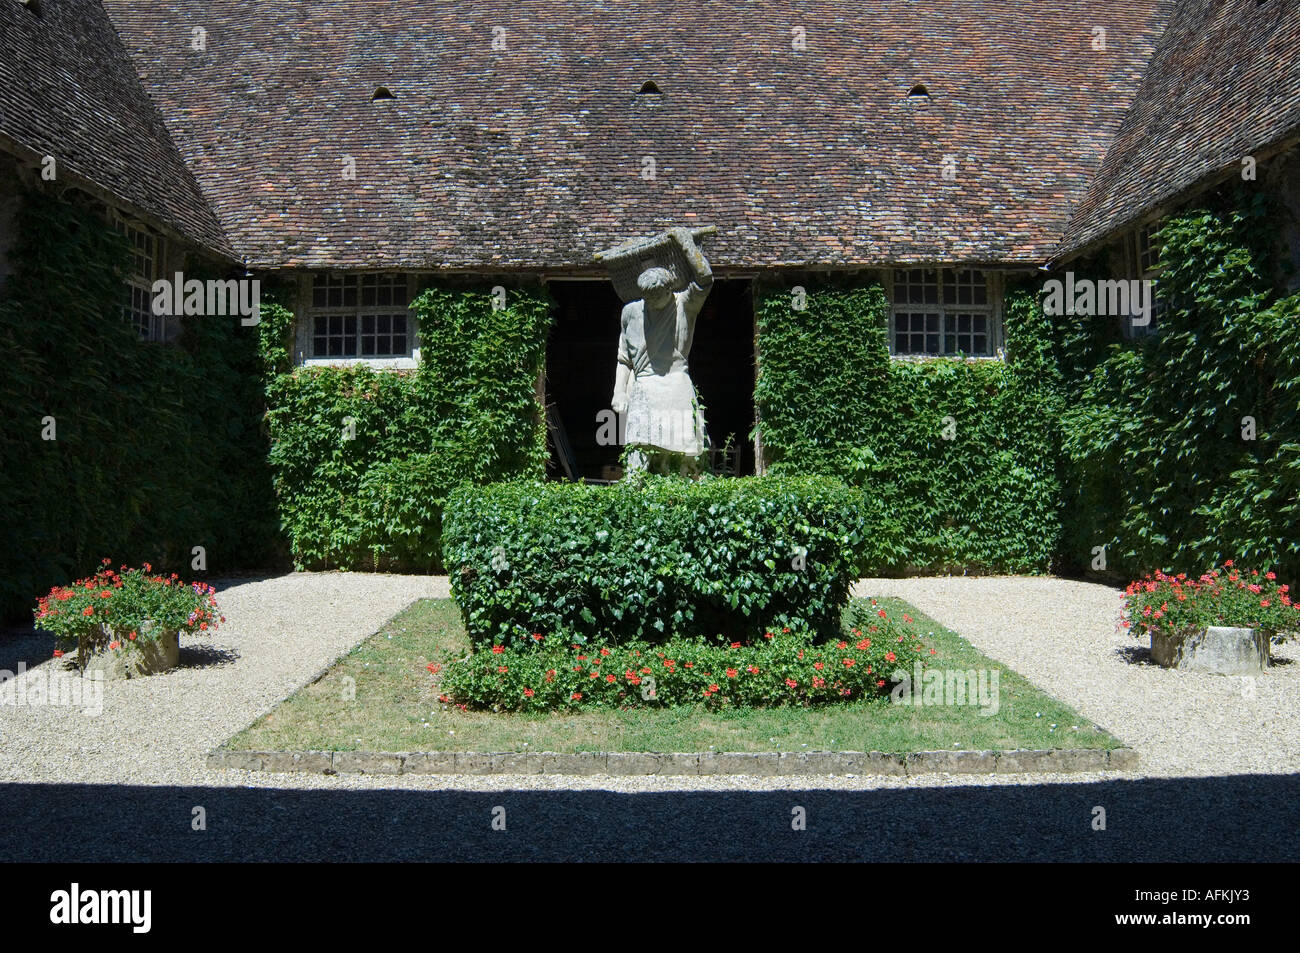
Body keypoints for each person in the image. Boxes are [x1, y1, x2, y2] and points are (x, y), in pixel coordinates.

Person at [611, 228, 713, 474]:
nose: (653, 300)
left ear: (669, 289)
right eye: (649, 297)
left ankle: (686, 500)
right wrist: (619, 392)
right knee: (637, 452)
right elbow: (624, 359)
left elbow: (705, 278)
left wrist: (686, 243)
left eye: (658, 296)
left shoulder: (684, 303)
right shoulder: (631, 312)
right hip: (645, 385)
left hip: (676, 381)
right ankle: (634, 500)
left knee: (687, 456)